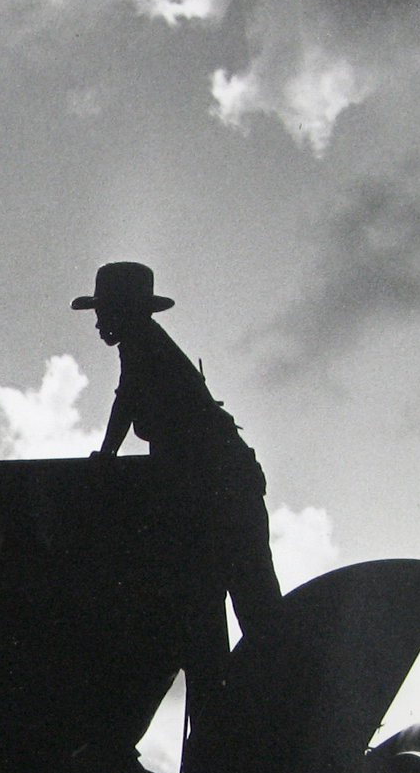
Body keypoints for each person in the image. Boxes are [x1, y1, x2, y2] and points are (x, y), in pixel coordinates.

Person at [76, 261, 282, 702]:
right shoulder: (146, 345)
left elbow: (127, 398)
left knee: (235, 609)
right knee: (232, 609)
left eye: (104, 311)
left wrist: (107, 455)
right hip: (219, 487)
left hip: (216, 491)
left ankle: (271, 704)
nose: (97, 322)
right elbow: (129, 398)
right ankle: (259, 702)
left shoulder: (143, 346)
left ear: (124, 311)